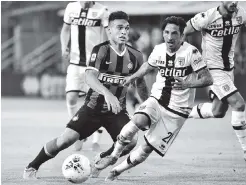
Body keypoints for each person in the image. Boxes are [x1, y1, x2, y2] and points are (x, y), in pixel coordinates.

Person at [23, 11, 148, 180]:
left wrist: (147, 106)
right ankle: (32, 166)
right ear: (109, 30)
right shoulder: (101, 50)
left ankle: (102, 159)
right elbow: (89, 77)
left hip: (117, 111)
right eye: (119, 28)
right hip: (92, 109)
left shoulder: (136, 56)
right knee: (65, 140)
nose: (124, 32)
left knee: (131, 142)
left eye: (126, 28)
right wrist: (107, 94)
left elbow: (140, 83)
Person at [92, 16, 213, 181]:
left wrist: (187, 83)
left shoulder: (191, 52)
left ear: (182, 36)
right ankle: (114, 155)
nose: (170, 37)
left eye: (175, 33)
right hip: (157, 99)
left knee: (147, 148)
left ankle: (116, 171)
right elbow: (147, 67)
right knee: (138, 119)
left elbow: (207, 79)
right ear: (163, 33)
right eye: (167, 32)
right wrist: (131, 78)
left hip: (178, 110)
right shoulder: (158, 49)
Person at [184, 1, 246, 164]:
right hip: (212, 70)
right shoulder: (207, 17)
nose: (234, 2)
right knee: (238, 104)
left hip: (228, 70)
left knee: (218, 111)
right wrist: (189, 58)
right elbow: (183, 32)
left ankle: (180, 112)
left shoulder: (242, 15)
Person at [61, 1, 109, 151]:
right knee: (71, 97)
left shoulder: (102, 10)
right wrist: (64, 47)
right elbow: (65, 30)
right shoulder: (71, 7)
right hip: (75, 62)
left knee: (96, 102)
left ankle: (96, 139)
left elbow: (107, 33)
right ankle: (78, 132)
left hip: (93, 64)